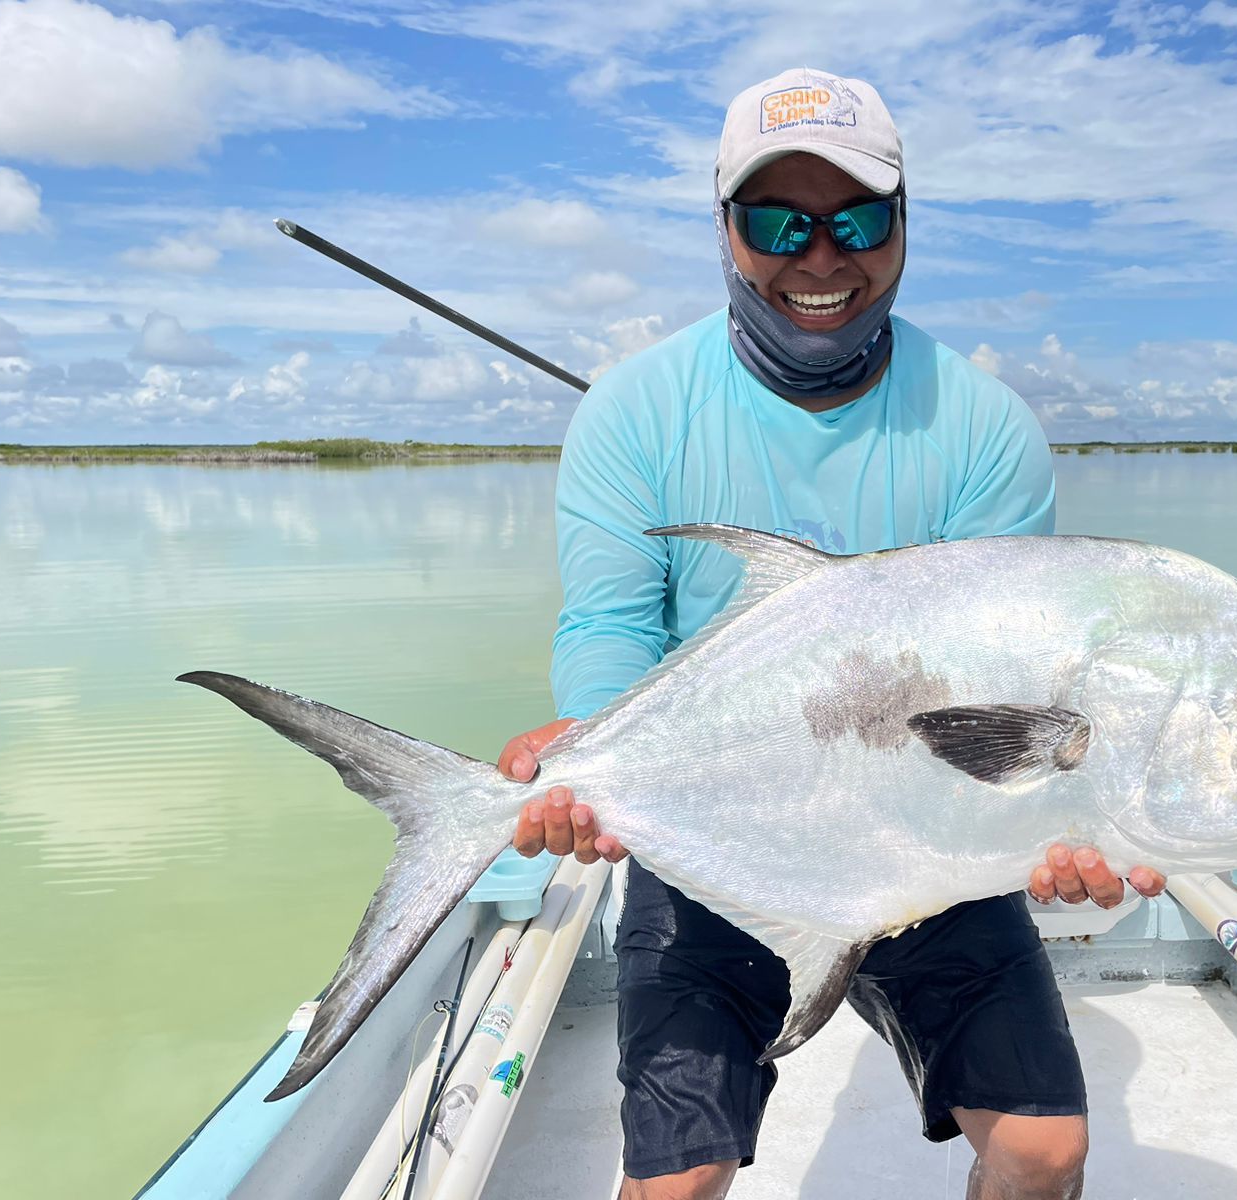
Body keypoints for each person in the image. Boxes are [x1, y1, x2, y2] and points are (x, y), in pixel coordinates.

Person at [499, 68, 1167, 1200]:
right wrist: (591, 751)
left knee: (1044, 1152)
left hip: (933, 838)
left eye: (857, 218)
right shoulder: (632, 410)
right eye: (778, 221)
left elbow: (1010, 693)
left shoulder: (983, 425)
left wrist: (1070, 819)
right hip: (719, 827)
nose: (820, 258)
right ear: (724, 228)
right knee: (673, 1181)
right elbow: (611, 627)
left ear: (904, 225)